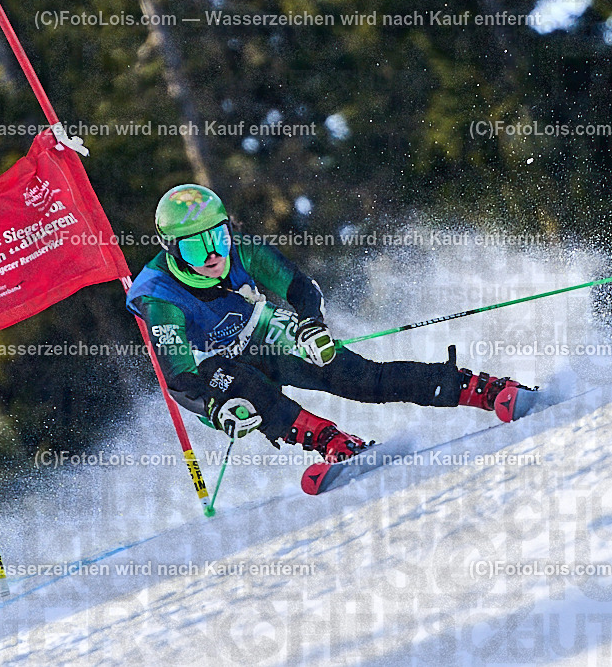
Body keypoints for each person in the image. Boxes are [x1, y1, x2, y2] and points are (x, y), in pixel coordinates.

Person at [126, 184, 535, 464]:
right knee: (247, 389)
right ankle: (331, 441)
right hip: (216, 370)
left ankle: (480, 389)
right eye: (197, 245)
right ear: (172, 250)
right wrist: (216, 409)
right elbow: (180, 378)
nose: (214, 253)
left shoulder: (242, 252)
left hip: (266, 332)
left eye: (219, 237)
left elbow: (302, 289)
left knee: (359, 380)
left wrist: (310, 326)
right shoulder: (159, 297)